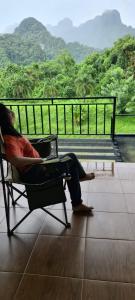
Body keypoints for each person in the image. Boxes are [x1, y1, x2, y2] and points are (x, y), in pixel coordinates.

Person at [0, 103, 95, 214]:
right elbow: (15, 160)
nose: (12, 115)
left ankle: (78, 193)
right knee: (71, 159)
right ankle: (79, 188)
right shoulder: (9, 139)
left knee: (70, 163)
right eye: (9, 113)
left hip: (38, 168)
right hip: (36, 172)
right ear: (6, 118)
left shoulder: (11, 135)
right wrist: (40, 160)